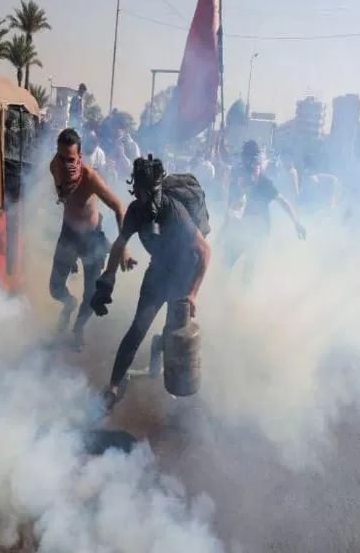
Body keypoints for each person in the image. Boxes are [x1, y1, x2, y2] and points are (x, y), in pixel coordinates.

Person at [90, 155, 212, 413]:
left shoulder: (174, 210)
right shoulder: (135, 212)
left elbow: (204, 251)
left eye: (156, 191)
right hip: (158, 272)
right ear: (136, 190)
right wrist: (107, 280)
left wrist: (192, 294)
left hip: (183, 275)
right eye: (147, 193)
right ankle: (113, 389)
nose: (154, 199)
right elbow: (119, 245)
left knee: (174, 335)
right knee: (138, 328)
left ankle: (161, 346)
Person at [48, 128, 132, 349]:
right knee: (55, 288)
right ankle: (69, 304)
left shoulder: (90, 178)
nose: (66, 164)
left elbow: (119, 207)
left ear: (80, 157)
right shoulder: (54, 167)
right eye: (62, 158)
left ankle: (78, 328)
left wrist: (123, 246)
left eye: (71, 159)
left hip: (92, 239)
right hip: (68, 233)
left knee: (92, 294)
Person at [222, 140, 306, 280]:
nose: (253, 168)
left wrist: (296, 222)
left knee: (248, 271)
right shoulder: (238, 180)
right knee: (226, 263)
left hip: (259, 232)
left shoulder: (264, 184)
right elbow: (232, 208)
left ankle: (243, 291)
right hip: (242, 229)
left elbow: (283, 202)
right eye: (249, 164)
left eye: (256, 164)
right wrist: (225, 226)